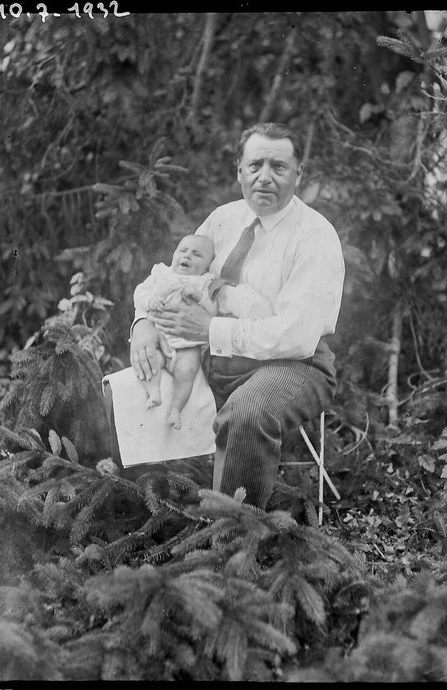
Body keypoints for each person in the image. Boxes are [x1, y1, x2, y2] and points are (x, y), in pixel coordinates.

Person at [130, 122, 345, 509]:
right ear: (239, 171)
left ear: (299, 173)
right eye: (255, 165)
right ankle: (150, 510)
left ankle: (228, 539)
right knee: (131, 387)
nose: (264, 177)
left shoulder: (316, 236)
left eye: (278, 167)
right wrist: (143, 324)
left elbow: (295, 336)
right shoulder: (222, 219)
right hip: (209, 356)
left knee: (248, 409)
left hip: (295, 364)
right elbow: (177, 283)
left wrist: (213, 329)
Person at [133, 234, 217, 429]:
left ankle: (175, 410)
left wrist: (199, 297)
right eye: (182, 250)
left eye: (196, 254)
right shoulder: (161, 274)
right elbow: (140, 293)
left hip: (188, 345)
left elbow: (213, 310)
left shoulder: (205, 283)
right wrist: (150, 302)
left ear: (207, 265)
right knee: (150, 360)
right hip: (160, 336)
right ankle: (154, 393)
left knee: (187, 371)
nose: (187, 256)